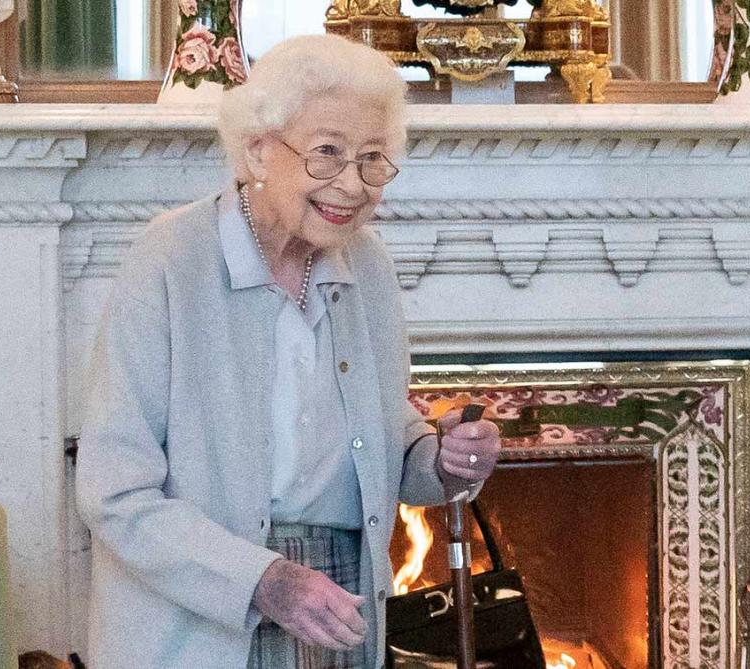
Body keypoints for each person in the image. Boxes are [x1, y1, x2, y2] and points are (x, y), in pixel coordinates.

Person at [75, 34, 502, 669]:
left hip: (339, 597)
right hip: (202, 616)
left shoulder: (369, 269)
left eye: (373, 159)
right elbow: (114, 492)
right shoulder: (168, 262)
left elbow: (385, 438)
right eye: (327, 154)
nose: (353, 185)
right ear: (257, 151)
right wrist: (263, 580)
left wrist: (440, 461)